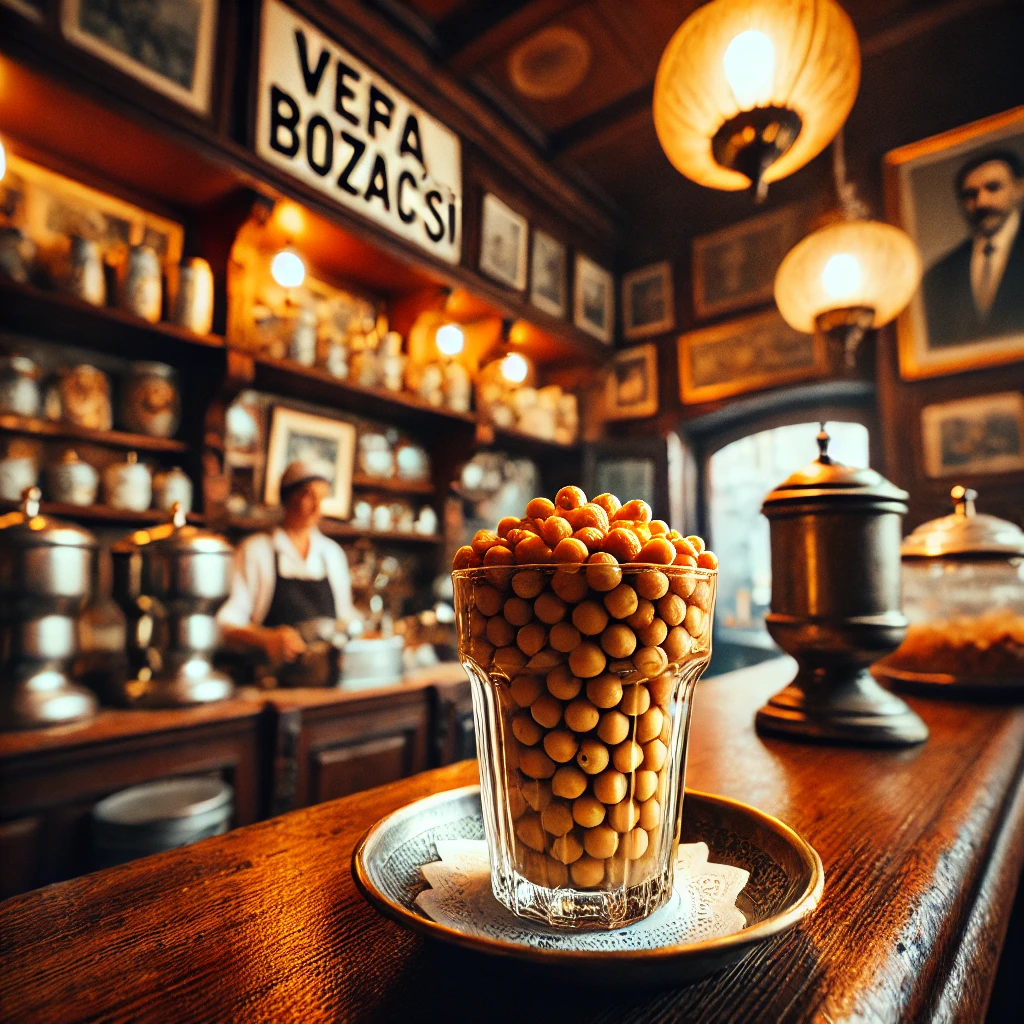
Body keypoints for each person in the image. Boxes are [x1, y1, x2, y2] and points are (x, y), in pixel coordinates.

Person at [218, 459, 354, 665]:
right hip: (269, 677)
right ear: (288, 498)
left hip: (324, 678)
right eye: (309, 496)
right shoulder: (256, 551)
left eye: (322, 498)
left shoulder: (332, 554)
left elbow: (346, 620)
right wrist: (266, 639)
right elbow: (224, 626)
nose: (317, 508)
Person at [921, 150, 1024, 347]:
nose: (981, 202)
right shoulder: (940, 275)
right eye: (970, 195)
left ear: (1019, 189)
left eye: (993, 188)